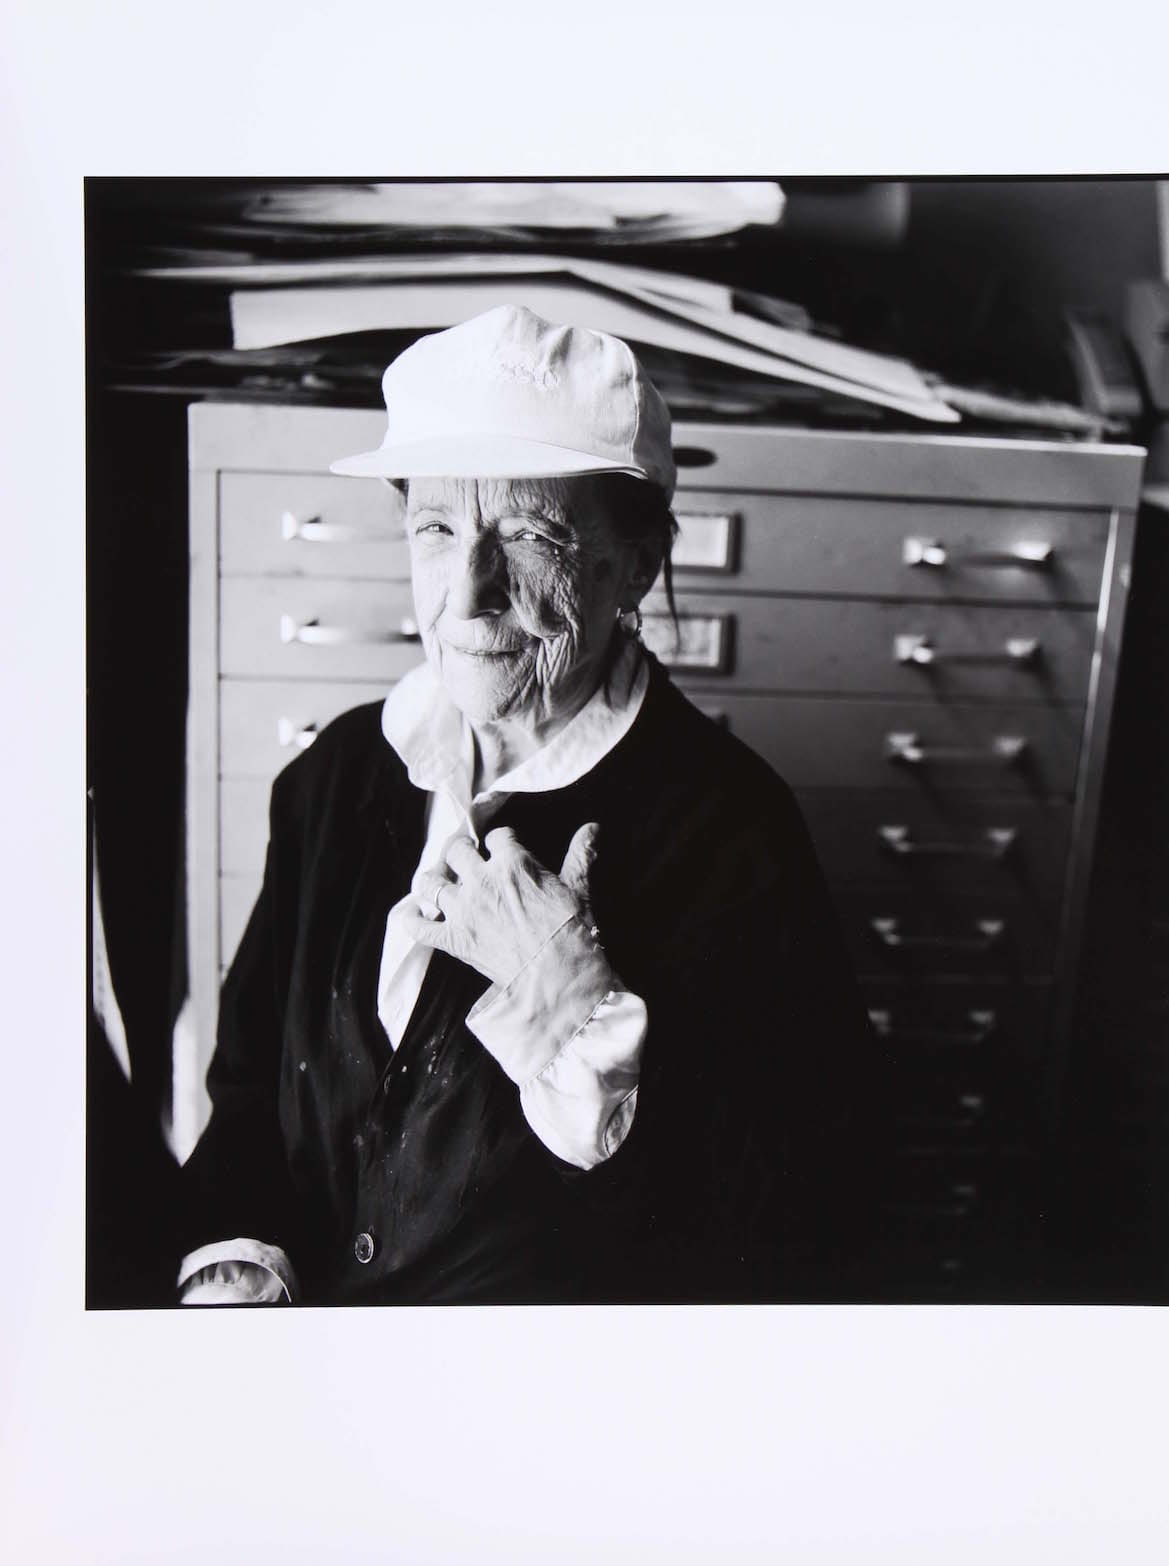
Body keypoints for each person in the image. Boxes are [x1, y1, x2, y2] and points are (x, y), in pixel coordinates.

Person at [177, 305, 882, 1306]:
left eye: (526, 534)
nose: (469, 593)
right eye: (437, 528)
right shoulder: (336, 776)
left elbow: (805, 1224)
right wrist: (238, 1262)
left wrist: (573, 1009)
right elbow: (250, 1093)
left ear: (633, 565)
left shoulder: (733, 834)